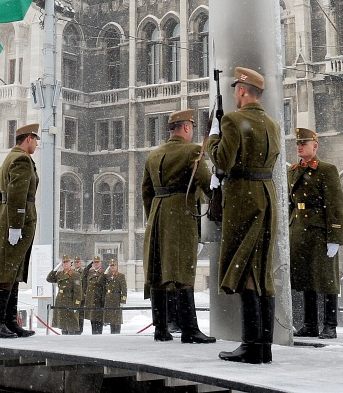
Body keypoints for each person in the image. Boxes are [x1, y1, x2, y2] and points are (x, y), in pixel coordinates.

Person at [207, 66, 280, 365]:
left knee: (245, 266)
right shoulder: (272, 124)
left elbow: (223, 161)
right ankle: (264, 345)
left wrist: (214, 137)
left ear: (241, 91)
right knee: (262, 268)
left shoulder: (235, 121)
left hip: (243, 198)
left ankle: (251, 345)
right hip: (266, 194)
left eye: (236, 89)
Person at [141, 108, 215, 343]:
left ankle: (160, 329)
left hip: (156, 214)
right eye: (191, 127)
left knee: (158, 271)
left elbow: (146, 192)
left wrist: (154, 216)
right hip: (180, 215)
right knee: (183, 271)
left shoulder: (153, 155)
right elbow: (205, 183)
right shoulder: (192, 151)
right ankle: (189, 329)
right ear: (186, 127)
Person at [0, 123, 40, 339]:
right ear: (28, 139)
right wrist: (15, 225)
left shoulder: (9, 158)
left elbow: (1, 194)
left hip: (9, 216)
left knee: (13, 271)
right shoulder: (21, 159)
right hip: (16, 220)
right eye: (36, 140)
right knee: (7, 270)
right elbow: (17, 194)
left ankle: (10, 322)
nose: (37, 144)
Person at [288, 127, 343, 339]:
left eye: (304, 143)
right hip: (299, 231)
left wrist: (335, 237)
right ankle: (310, 323)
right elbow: (290, 204)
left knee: (327, 279)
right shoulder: (293, 170)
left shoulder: (326, 170)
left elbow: (336, 206)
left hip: (320, 232)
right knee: (305, 279)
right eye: (298, 144)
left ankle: (330, 325)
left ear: (315, 146)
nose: (300, 147)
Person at [46, 255, 82, 335]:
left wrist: (76, 304)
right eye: (64, 262)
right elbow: (49, 279)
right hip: (60, 301)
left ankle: (71, 343)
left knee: (71, 325)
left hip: (70, 301)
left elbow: (78, 291)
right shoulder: (59, 274)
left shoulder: (75, 275)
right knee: (62, 325)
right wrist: (56, 269)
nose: (65, 264)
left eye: (67, 262)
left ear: (70, 264)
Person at [102, 258, 128, 334]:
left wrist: (123, 300)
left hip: (117, 300)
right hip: (109, 300)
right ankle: (112, 334)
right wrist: (104, 273)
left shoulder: (121, 276)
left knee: (117, 321)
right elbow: (100, 282)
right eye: (111, 265)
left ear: (117, 266)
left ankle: (117, 334)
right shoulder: (107, 276)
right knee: (111, 321)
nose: (112, 267)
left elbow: (124, 289)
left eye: (114, 265)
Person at [81, 255, 107, 334]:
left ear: (100, 263)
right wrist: (88, 267)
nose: (96, 264)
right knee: (93, 320)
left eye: (97, 262)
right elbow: (83, 277)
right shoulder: (90, 272)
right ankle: (94, 334)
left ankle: (98, 335)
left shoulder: (103, 273)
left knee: (99, 321)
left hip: (99, 299)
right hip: (91, 299)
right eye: (94, 262)